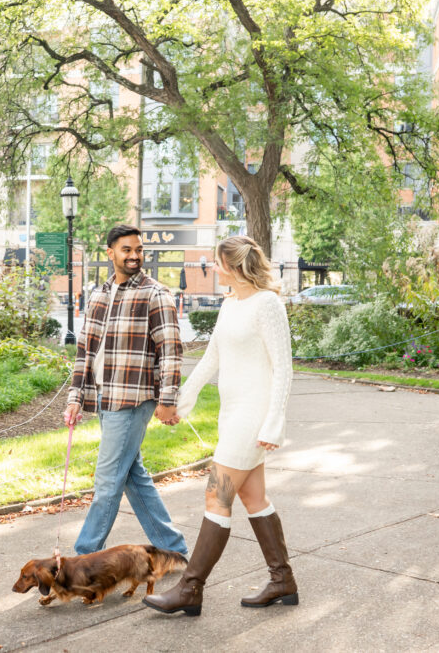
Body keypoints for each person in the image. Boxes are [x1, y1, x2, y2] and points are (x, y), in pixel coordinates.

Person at [143, 235, 296, 617]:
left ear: (234, 265)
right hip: (233, 415)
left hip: (253, 417)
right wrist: (181, 401)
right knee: (253, 498)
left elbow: (284, 370)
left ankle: (190, 589)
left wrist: (273, 422)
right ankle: (283, 581)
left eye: (216, 262)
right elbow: (212, 358)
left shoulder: (268, 304)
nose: (211, 267)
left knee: (217, 496)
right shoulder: (230, 303)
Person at [63, 224, 189, 558]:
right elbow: (85, 352)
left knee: (107, 482)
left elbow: (171, 352)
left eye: (138, 250)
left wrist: (167, 401)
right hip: (105, 397)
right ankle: (174, 551)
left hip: (132, 400)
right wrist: (76, 397)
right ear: (110, 253)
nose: (134, 256)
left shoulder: (154, 293)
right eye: (126, 250)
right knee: (133, 477)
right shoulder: (99, 294)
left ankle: (84, 559)